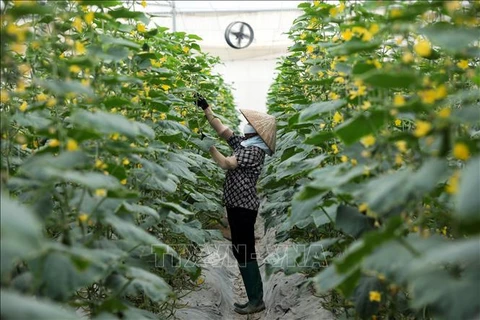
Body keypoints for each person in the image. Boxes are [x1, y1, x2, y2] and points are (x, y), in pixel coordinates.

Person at [195, 94, 276, 315]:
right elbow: (223, 131)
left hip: (244, 208)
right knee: (240, 249)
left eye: (250, 125)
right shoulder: (244, 143)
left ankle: (256, 299)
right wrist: (207, 110)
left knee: (245, 250)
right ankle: (253, 297)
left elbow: (226, 163)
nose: (247, 126)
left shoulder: (254, 152)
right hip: (235, 205)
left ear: (258, 133)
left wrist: (208, 146)